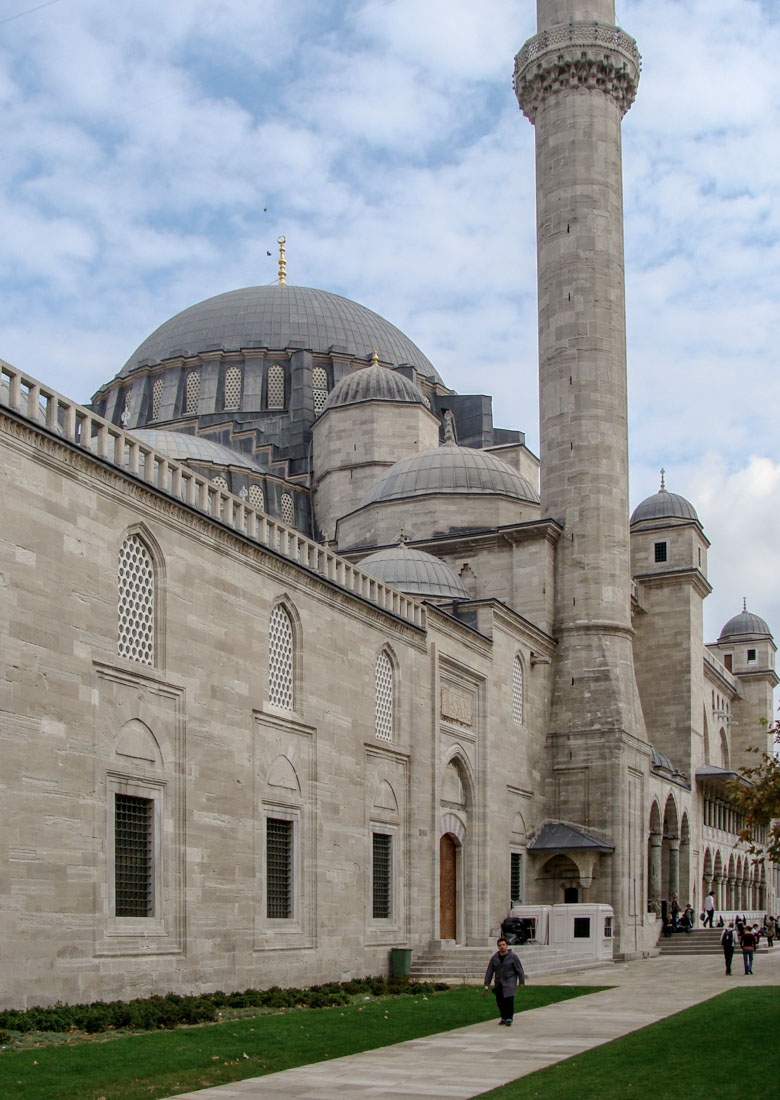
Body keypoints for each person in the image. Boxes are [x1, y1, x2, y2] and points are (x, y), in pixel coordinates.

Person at [484, 937, 526, 1026]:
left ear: (507, 946)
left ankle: (509, 1018)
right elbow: (490, 971)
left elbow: (519, 969)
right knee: (500, 1001)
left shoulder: (513, 957)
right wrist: (486, 984)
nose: (502, 947)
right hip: (499, 982)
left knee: (509, 1000)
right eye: (499, 945)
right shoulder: (495, 958)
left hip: (509, 981)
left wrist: (521, 982)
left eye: (503, 945)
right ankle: (503, 1017)